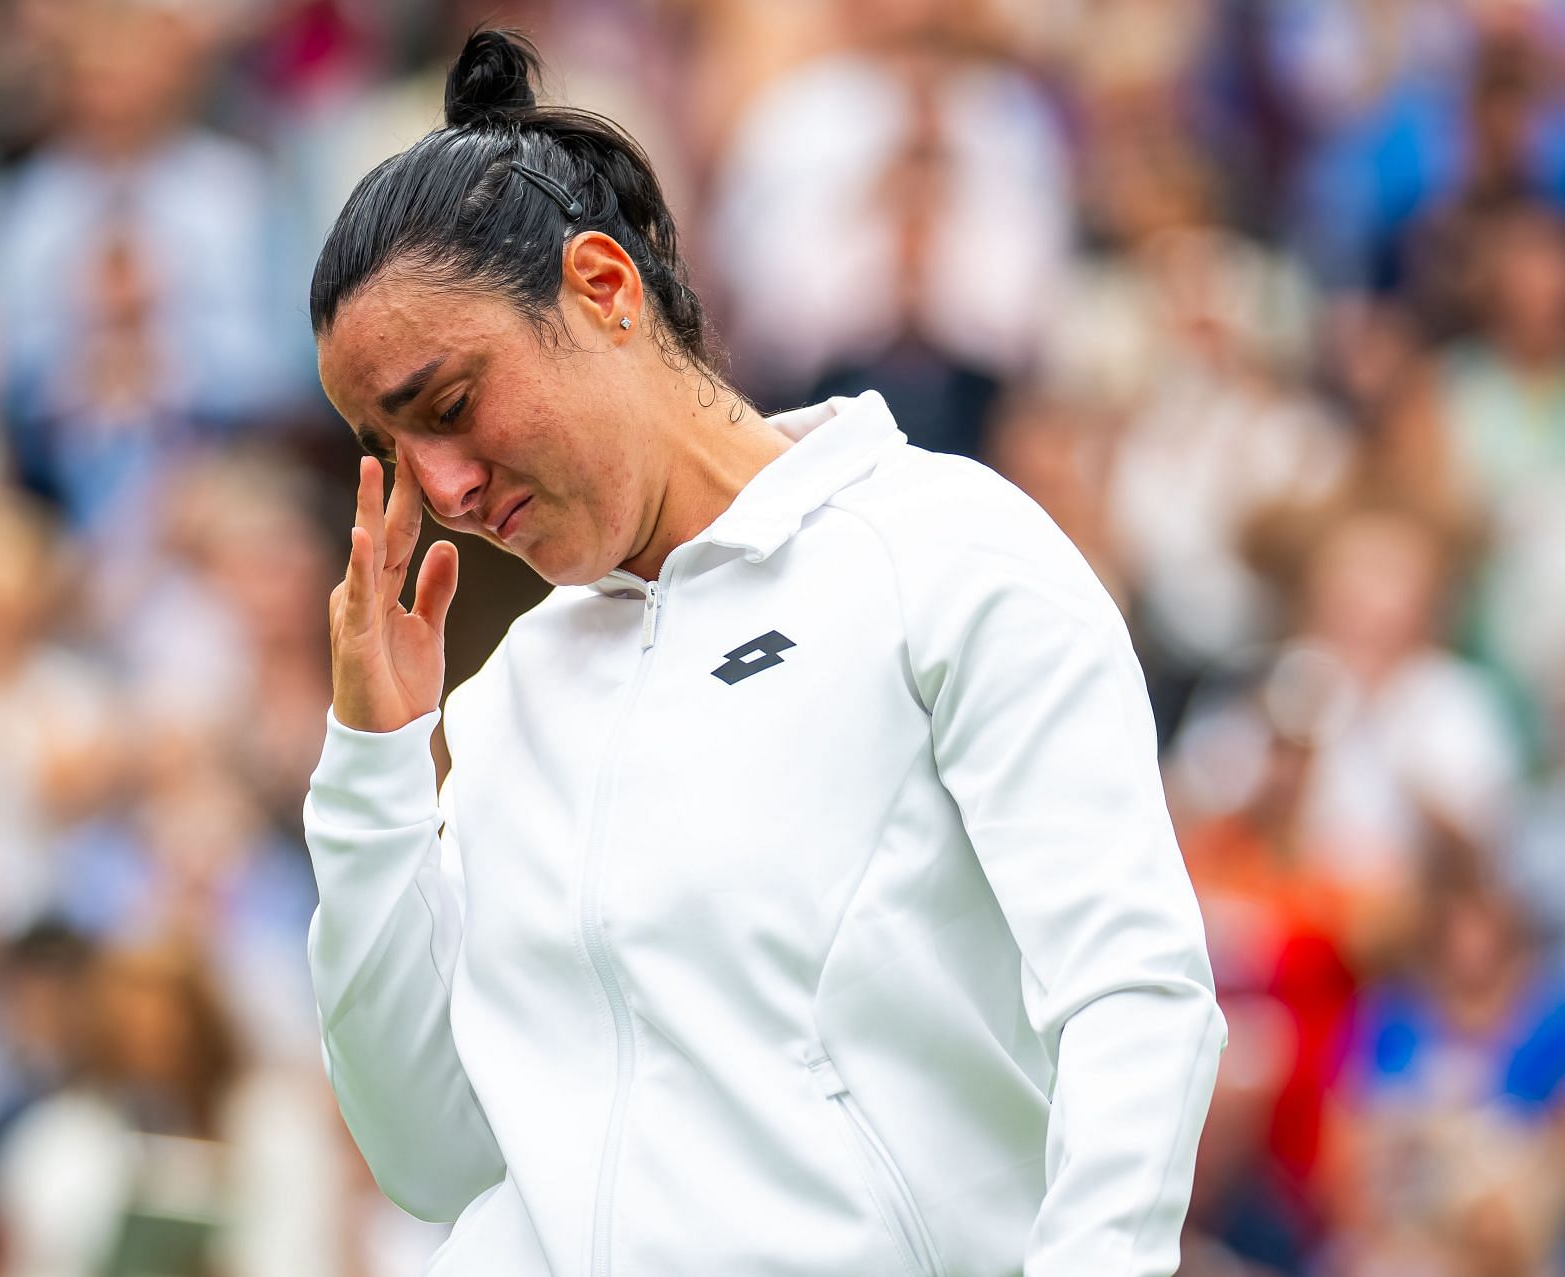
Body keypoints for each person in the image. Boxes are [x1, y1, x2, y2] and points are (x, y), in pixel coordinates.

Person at [303, 28, 1227, 1277]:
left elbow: (1137, 998)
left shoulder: (945, 551)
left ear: (604, 289)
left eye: (450, 404)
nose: (443, 486)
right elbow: (432, 1151)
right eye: (393, 447)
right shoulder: (510, 692)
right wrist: (372, 769)